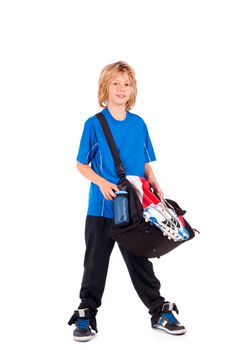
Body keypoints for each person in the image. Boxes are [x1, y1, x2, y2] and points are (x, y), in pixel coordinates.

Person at [67, 61, 186, 341]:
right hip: (102, 208)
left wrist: (153, 179)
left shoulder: (139, 123)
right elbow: (80, 165)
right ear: (105, 88)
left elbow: (143, 161)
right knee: (95, 264)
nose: (121, 89)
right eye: (116, 83)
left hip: (135, 209)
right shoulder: (94, 124)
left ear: (133, 90)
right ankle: (86, 314)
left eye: (127, 84)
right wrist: (102, 183)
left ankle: (159, 311)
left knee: (140, 261)